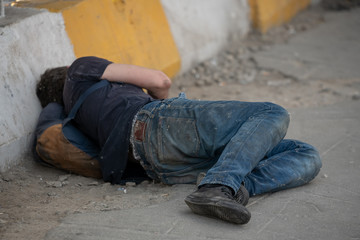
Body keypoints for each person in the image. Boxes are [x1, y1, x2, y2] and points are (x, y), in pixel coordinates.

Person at [36, 56, 322, 224]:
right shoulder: (79, 69)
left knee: (305, 153)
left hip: (157, 165)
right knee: (271, 112)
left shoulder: (74, 117)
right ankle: (217, 185)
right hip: (157, 124)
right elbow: (160, 81)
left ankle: (233, 186)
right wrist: (159, 102)